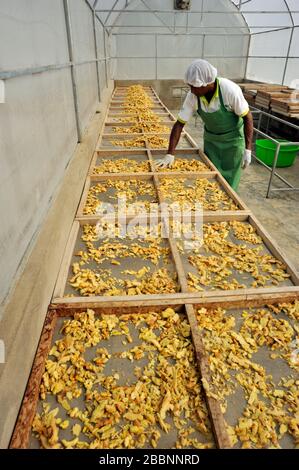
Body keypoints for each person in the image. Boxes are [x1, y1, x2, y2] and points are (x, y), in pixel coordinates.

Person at [156, 59, 253, 191]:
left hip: (233, 142)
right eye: (190, 86)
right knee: (210, 180)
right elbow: (179, 124)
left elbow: (247, 117)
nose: (191, 90)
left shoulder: (229, 90)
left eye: (194, 86)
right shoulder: (193, 95)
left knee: (230, 182)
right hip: (211, 141)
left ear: (208, 83)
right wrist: (170, 154)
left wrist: (248, 149)